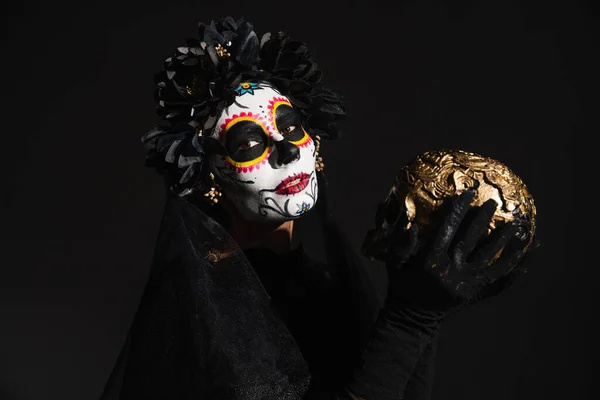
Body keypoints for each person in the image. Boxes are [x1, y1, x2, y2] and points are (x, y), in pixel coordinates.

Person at [98, 16, 535, 400]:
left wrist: (426, 310)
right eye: (249, 143)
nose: (286, 151)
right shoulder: (205, 310)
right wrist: (409, 321)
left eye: (290, 126)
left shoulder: (320, 282)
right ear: (207, 176)